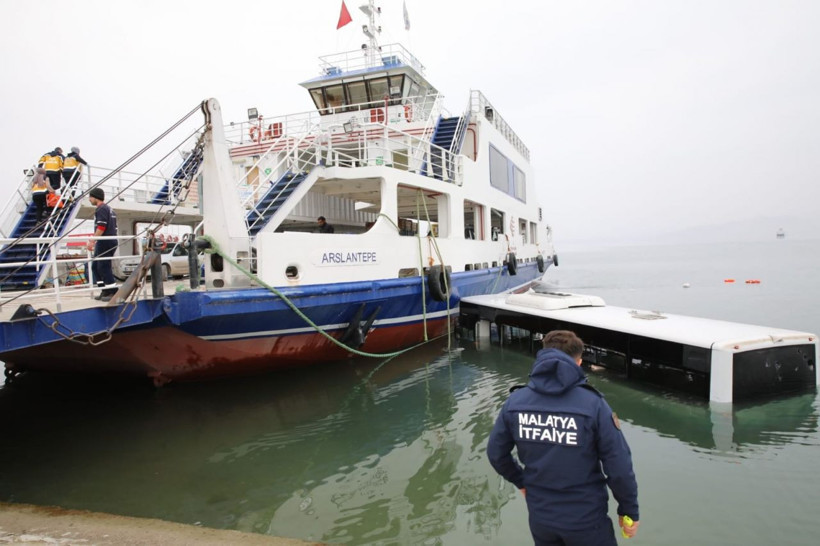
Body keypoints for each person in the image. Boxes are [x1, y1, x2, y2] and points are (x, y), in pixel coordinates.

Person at [487, 330, 640, 545]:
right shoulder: (593, 405)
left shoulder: (516, 403)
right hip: (587, 521)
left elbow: (496, 454)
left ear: (541, 356)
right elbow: (619, 466)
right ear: (578, 363)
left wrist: (521, 481)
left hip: (541, 519)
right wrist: (629, 511)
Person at [86, 187, 118, 301]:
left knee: (103, 266)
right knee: (95, 267)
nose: (89, 199)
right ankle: (104, 290)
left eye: (90, 197)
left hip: (105, 241)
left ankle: (113, 292)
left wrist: (92, 241)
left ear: (95, 197)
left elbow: (101, 227)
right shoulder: (109, 209)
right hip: (108, 241)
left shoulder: (101, 209)